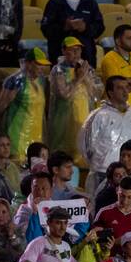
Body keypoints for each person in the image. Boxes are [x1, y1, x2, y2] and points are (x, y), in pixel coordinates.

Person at [80, 77, 131, 186]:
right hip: (103, 172)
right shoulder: (98, 115)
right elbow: (85, 146)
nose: (125, 91)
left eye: (126, 87)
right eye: (120, 88)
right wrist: (99, 164)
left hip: (129, 174)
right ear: (110, 93)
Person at [48, 38, 101, 168]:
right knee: (63, 155)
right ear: (64, 51)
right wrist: (78, 78)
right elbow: (64, 94)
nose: (76, 54)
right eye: (72, 50)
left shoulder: (85, 68)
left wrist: (85, 77)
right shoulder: (58, 70)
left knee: (81, 154)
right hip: (63, 121)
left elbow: (97, 93)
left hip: (83, 118)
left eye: (78, 50)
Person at [0, 48, 50, 163]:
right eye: (38, 64)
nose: (42, 68)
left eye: (43, 65)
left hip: (36, 140)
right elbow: (0, 106)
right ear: (28, 63)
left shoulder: (39, 82)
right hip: (16, 140)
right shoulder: (16, 81)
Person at [40, 0, 103, 68]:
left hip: (86, 57)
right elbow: (46, 29)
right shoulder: (54, 3)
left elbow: (100, 27)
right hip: (60, 58)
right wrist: (64, 27)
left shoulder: (90, 2)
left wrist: (85, 28)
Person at [100, 24, 131, 120]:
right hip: (115, 113)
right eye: (129, 38)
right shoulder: (109, 59)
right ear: (118, 41)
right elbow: (118, 88)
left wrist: (130, 81)